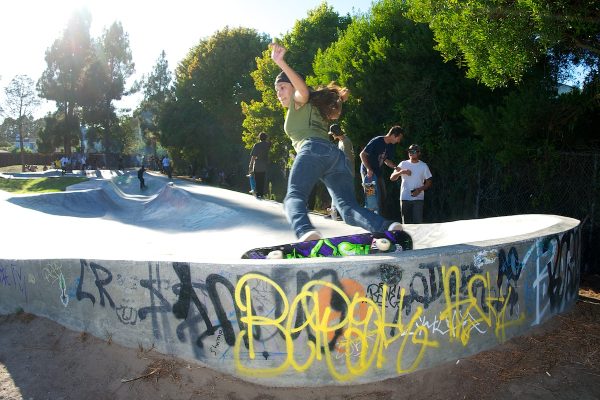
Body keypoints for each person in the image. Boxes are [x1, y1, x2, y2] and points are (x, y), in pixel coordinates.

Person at [270, 42, 402, 241]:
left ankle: (305, 232)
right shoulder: (317, 106)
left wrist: (281, 62)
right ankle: (387, 226)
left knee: (293, 198)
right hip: (334, 157)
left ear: (293, 86)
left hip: (312, 150)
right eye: (276, 90)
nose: (278, 93)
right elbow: (330, 107)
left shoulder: (300, 100)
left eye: (282, 87)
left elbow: (303, 91)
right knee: (348, 209)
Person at [359, 126, 404, 215]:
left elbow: (386, 160)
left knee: (383, 196)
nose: (399, 141)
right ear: (394, 135)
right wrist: (368, 169)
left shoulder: (390, 146)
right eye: (399, 138)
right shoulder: (377, 141)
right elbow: (362, 154)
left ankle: (380, 218)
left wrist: (395, 167)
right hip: (368, 173)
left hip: (377, 172)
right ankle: (371, 218)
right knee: (371, 197)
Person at [390, 144, 432, 224]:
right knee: (406, 224)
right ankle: (406, 237)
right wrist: (401, 172)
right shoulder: (403, 164)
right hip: (405, 198)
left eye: (413, 151)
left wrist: (419, 190)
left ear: (419, 153)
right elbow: (392, 178)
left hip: (418, 199)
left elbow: (429, 182)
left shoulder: (423, 166)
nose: (410, 153)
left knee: (418, 224)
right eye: (409, 151)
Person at [326, 123, 355, 219]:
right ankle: (334, 213)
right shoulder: (340, 141)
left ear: (337, 132)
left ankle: (341, 214)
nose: (332, 135)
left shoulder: (346, 142)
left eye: (333, 133)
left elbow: (348, 159)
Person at [249, 132, 270, 199]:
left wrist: (250, 165)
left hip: (257, 164)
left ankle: (257, 193)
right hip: (264, 164)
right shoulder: (267, 145)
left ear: (259, 138)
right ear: (266, 138)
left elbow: (254, 156)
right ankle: (261, 193)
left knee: (257, 179)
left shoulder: (257, 145)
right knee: (262, 179)